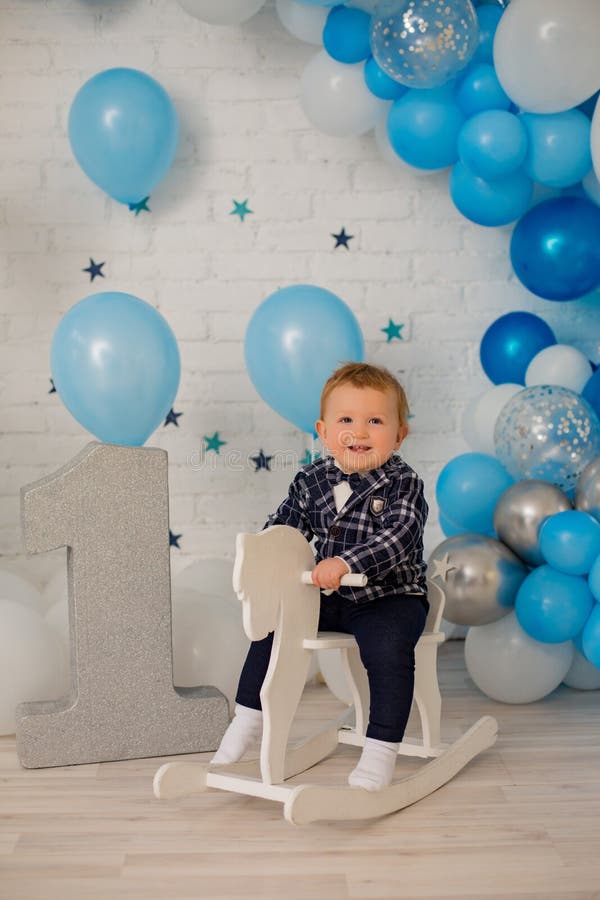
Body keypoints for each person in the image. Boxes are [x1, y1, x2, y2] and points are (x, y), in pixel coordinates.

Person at [212, 362, 429, 791]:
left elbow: (399, 536)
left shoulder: (404, 484)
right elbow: (285, 528)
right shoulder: (311, 479)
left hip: (390, 596)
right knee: (273, 627)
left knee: (388, 649)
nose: (359, 432)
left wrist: (347, 563)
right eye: (346, 420)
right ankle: (247, 721)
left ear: (399, 435)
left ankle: (381, 748)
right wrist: (265, 558)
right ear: (324, 432)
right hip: (330, 597)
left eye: (375, 421)